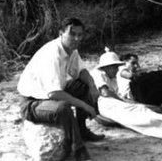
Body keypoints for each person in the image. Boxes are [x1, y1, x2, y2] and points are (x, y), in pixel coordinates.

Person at [17, 17, 105, 161]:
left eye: (80, 34)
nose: (76, 38)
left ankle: (82, 131)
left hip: (49, 95)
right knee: (63, 108)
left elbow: (81, 71)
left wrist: (93, 87)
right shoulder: (52, 54)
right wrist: (84, 105)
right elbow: (55, 94)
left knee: (83, 86)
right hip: (32, 103)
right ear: (60, 34)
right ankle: (79, 149)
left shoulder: (71, 49)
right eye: (72, 34)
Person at [90, 50, 162, 142]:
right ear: (108, 67)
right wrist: (122, 101)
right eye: (115, 67)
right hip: (102, 102)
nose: (117, 69)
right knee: (134, 112)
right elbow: (105, 92)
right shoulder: (98, 73)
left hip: (106, 103)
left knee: (138, 110)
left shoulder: (111, 79)